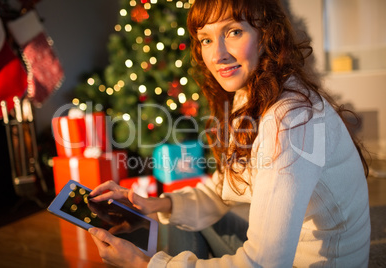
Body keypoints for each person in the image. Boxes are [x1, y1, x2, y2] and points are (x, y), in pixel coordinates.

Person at [88, 0, 371, 267]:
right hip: (291, 252)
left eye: (233, 31)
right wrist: (153, 205)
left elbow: (264, 263)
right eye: (206, 39)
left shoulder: (290, 122)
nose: (217, 54)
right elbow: (226, 187)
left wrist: (144, 263)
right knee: (176, 219)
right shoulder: (253, 91)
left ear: (266, 35)